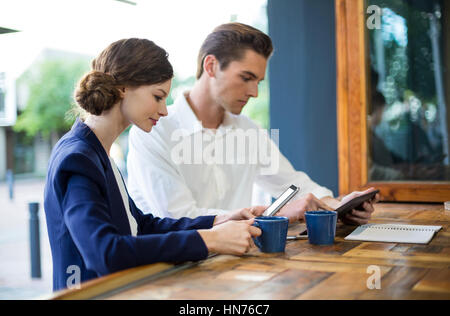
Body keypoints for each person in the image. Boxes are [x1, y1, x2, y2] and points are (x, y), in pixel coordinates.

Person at [44, 38, 265, 291]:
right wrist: (209, 240)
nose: (165, 110)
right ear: (123, 88)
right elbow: (105, 253)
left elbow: (141, 225)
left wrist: (218, 221)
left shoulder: (97, 152)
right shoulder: (78, 158)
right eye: (158, 96)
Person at [127, 23, 378, 226]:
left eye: (258, 81)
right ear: (211, 66)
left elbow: (292, 185)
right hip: (170, 274)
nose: (254, 92)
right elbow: (178, 217)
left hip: (236, 264)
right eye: (246, 78)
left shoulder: (247, 130)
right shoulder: (154, 130)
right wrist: (276, 213)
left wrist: (338, 205)